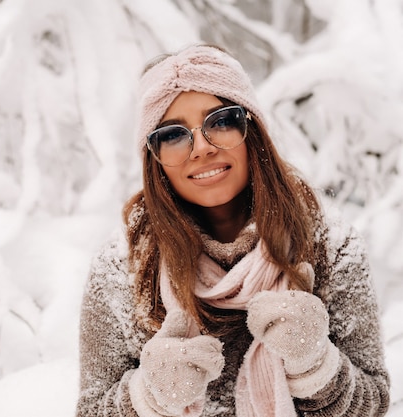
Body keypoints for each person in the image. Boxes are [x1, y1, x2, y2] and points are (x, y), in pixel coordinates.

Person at [75, 44, 390, 417]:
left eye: (221, 121)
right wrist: (149, 397)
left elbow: (373, 404)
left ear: (252, 130)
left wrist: (315, 366)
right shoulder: (123, 269)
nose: (202, 148)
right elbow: (92, 410)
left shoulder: (328, 246)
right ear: (154, 160)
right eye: (173, 135)